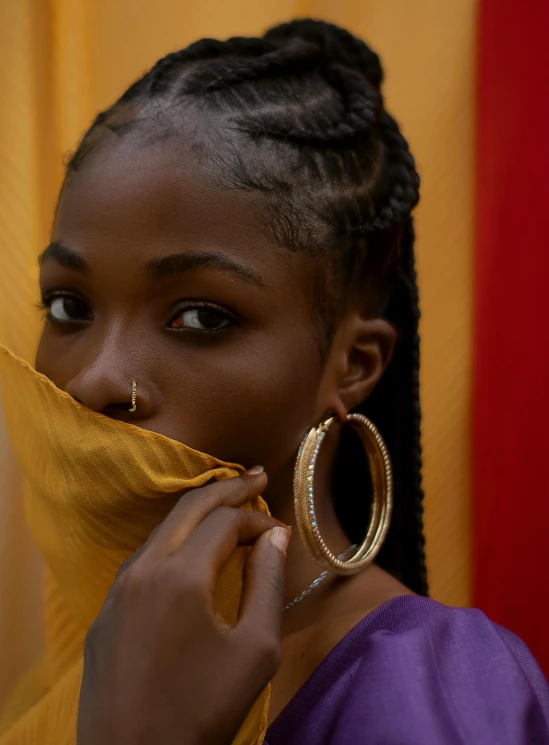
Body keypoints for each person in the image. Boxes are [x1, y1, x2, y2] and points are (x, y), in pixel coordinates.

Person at [5, 17, 549, 745]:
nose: (96, 378)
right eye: (70, 306)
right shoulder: (94, 665)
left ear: (351, 365)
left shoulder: (429, 691)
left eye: (200, 316)